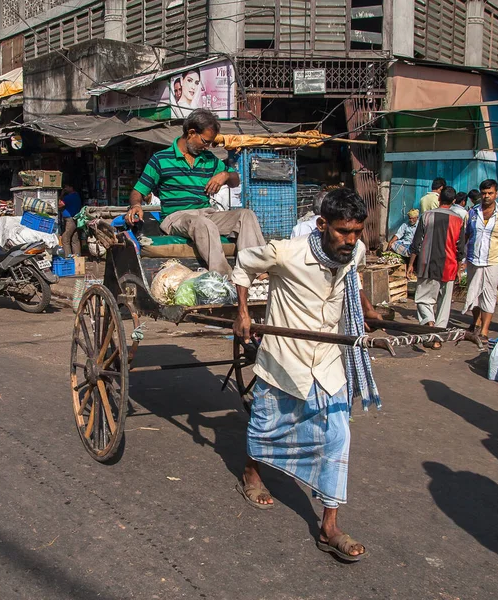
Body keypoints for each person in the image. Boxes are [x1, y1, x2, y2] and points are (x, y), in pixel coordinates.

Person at [232, 188, 382, 562]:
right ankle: (252, 471)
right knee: (267, 427)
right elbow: (242, 265)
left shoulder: (356, 252)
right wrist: (243, 313)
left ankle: (329, 526)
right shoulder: (288, 252)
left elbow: (353, 279)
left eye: (357, 231)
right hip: (285, 358)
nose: (351, 240)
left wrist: (366, 309)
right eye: (343, 232)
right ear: (321, 224)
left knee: (338, 435)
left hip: (329, 358)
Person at [125, 109, 265, 276]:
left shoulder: (209, 159)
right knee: (202, 223)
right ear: (191, 133)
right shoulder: (161, 159)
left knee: (246, 215)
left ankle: (256, 272)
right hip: (176, 217)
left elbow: (236, 181)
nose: (207, 146)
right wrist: (135, 205)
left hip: (207, 214)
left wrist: (225, 175)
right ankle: (226, 277)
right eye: (205, 141)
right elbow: (138, 190)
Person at [406, 186, 465, 349]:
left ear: (439, 199)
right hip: (449, 265)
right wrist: (459, 268)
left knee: (423, 299)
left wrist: (411, 264)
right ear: (453, 201)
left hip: (427, 264)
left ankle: (428, 323)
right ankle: (438, 338)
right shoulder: (458, 220)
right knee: (444, 304)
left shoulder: (426, 216)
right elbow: (461, 248)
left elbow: (416, 243)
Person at [463, 179, 498, 341]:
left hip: (493, 260)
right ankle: (476, 322)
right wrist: (462, 258)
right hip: (474, 259)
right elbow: (466, 236)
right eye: (484, 193)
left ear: (496, 194)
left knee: (489, 294)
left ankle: (485, 330)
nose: (486, 196)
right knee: (474, 293)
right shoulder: (472, 213)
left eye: (490, 193)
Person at [59, 183, 82, 257]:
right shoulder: (76, 195)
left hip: (70, 220)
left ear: (71, 188)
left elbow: (60, 204)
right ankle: (77, 256)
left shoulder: (69, 197)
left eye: (66, 187)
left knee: (65, 238)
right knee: (74, 239)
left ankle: (67, 257)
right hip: (75, 219)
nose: (65, 189)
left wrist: (62, 194)